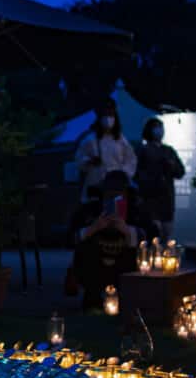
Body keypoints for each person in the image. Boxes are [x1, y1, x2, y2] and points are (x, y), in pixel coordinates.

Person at [68, 170, 158, 310]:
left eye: (119, 192)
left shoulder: (138, 212)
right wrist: (93, 228)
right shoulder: (89, 210)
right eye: (109, 192)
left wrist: (128, 232)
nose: (114, 196)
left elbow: (153, 238)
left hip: (126, 265)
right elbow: (70, 238)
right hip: (94, 264)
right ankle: (93, 297)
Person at [75, 97, 137, 202]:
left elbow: (131, 160)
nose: (108, 119)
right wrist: (89, 161)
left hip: (117, 187)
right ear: (99, 117)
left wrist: (123, 174)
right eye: (105, 114)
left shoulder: (121, 139)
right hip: (96, 186)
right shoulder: (90, 139)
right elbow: (79, 159)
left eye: (111, 114)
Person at [135, 117, 185, 241]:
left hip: (167, 200)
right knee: (153, 234)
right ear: (149, 130)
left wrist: (171, 165)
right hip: (150, 199)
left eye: (161, 127)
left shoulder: (169, 151)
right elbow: (136, 173)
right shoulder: (143, 150)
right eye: (156, 127)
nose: (159, 130)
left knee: (167, 234)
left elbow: (180, 172)